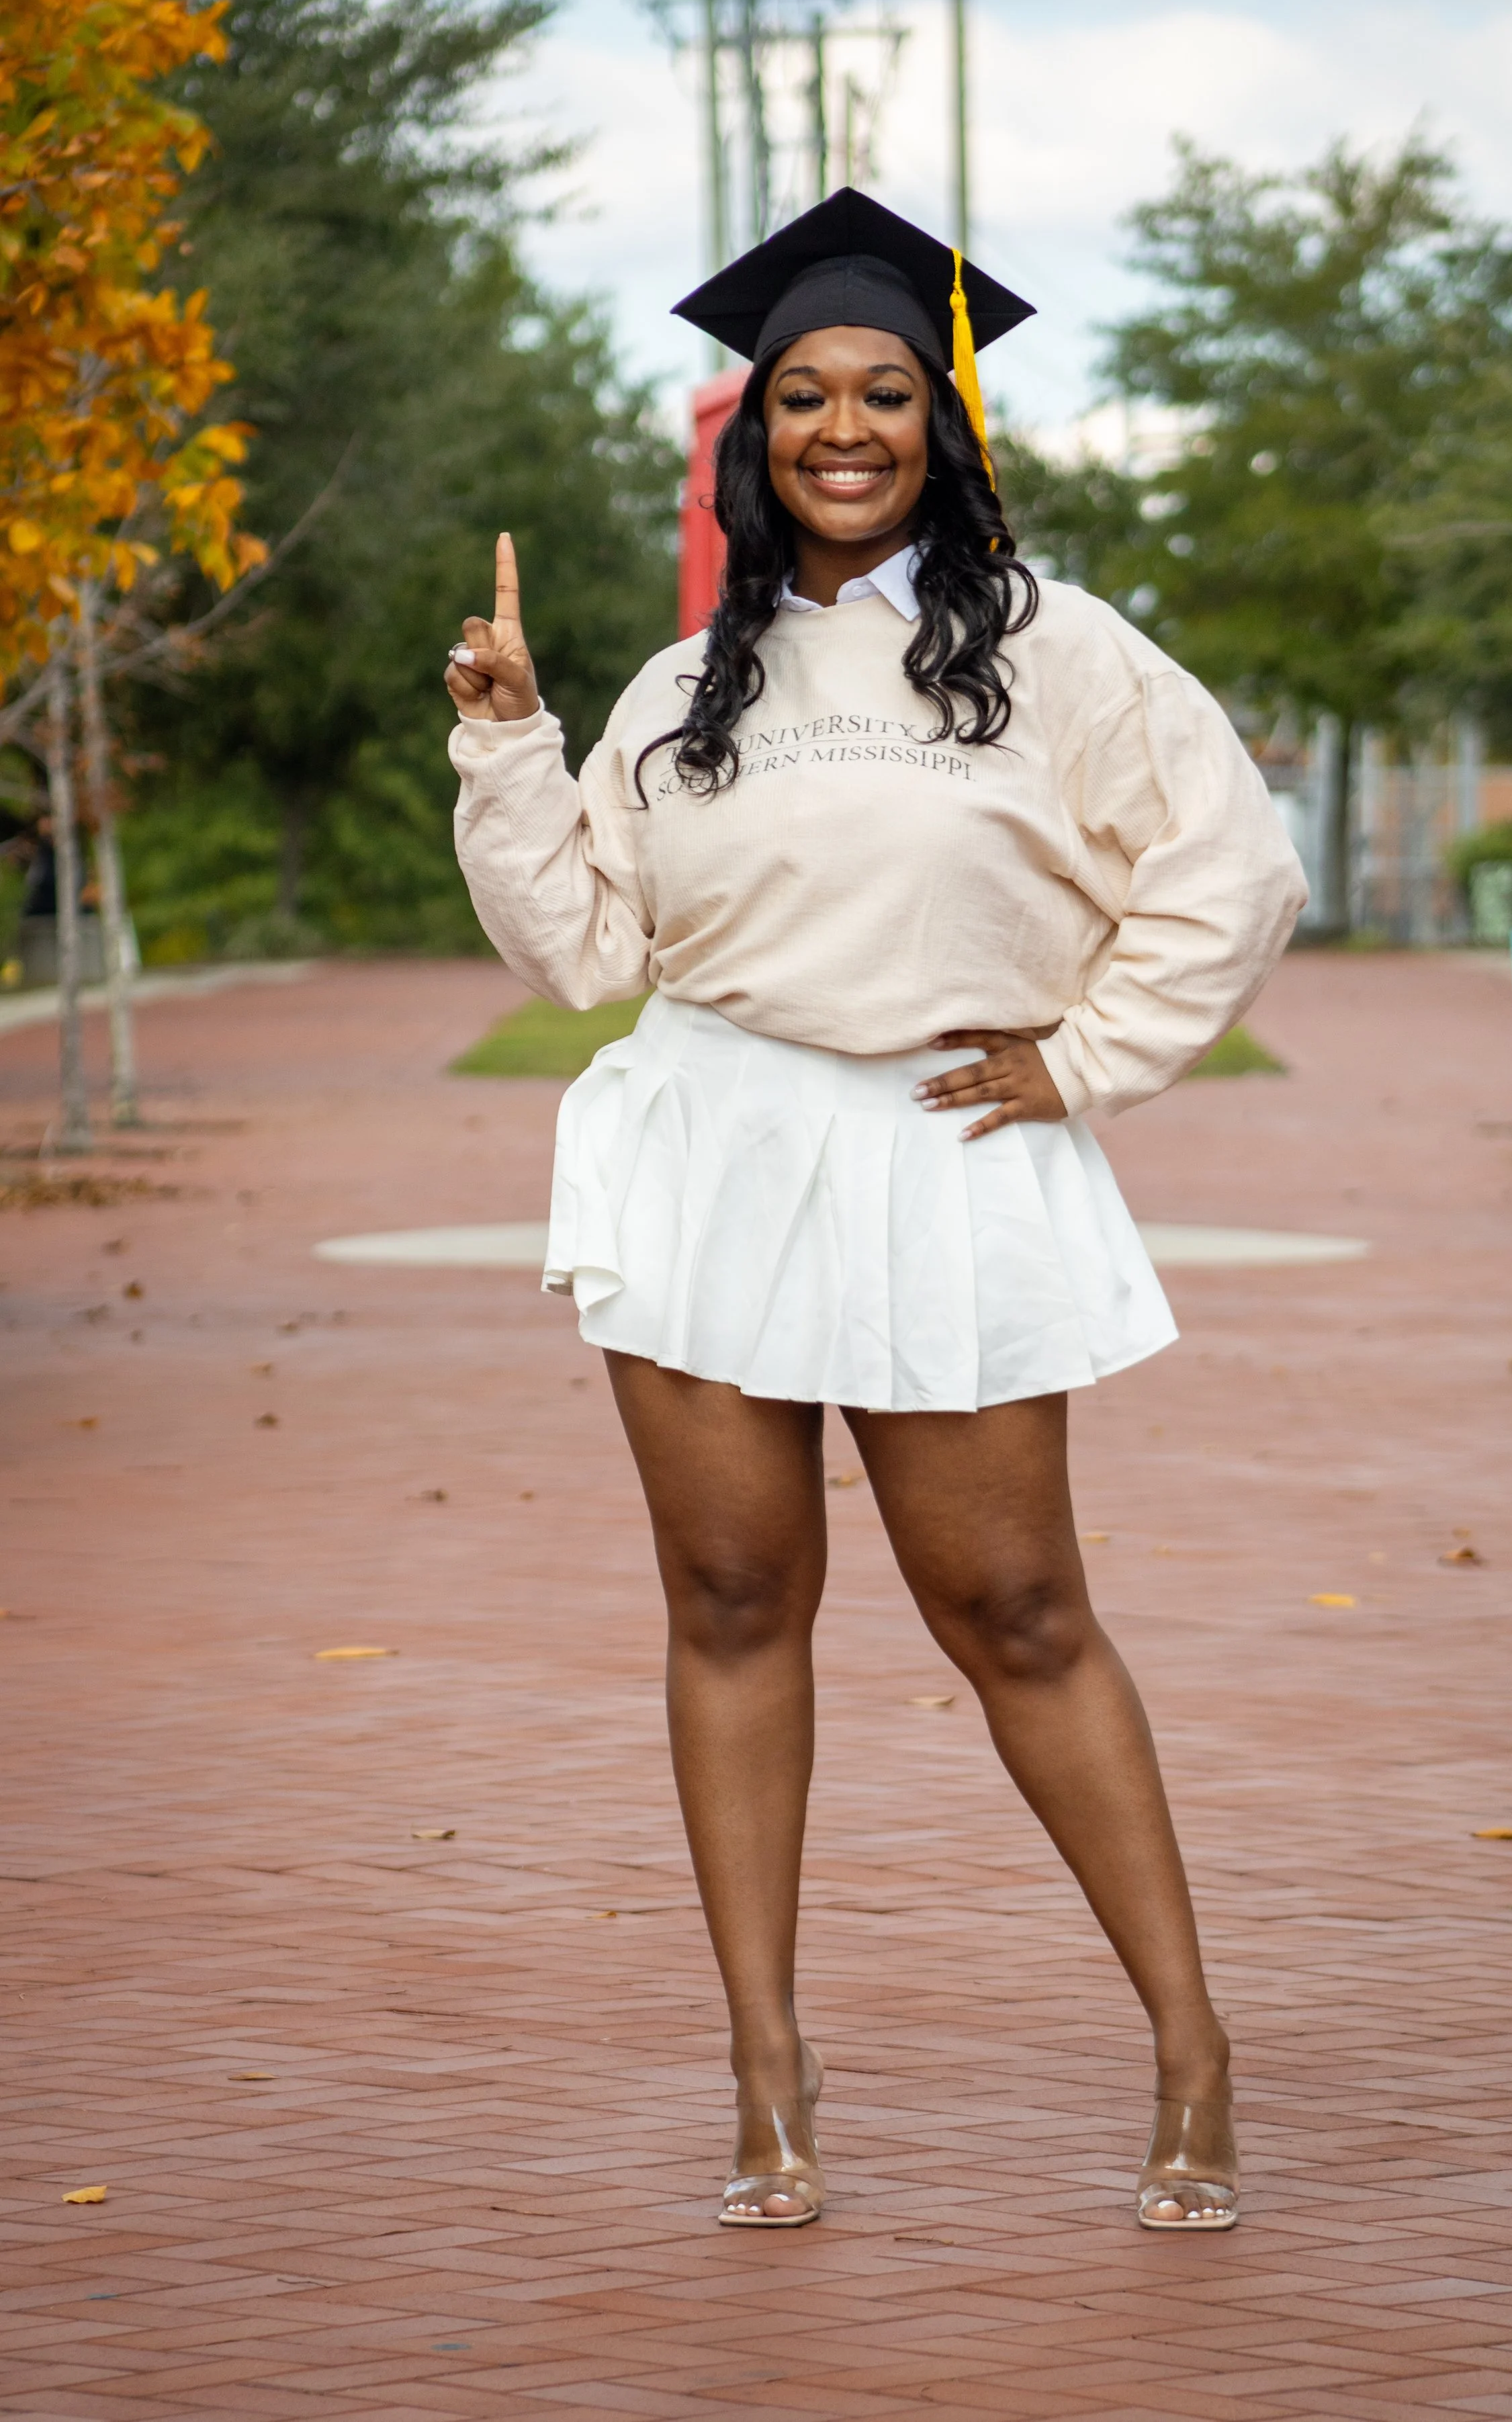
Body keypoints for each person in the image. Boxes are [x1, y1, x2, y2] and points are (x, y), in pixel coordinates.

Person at [445, 189, 1307, 2233]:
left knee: (1017, 1614)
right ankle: (766, 2062)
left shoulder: (1056, 650)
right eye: (805, 395)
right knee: (734, 1607)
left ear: (944, 421)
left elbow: (1233, 870)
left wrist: (1082, 1059)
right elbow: (575, 956)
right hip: (712, 1156)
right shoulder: (688, 687)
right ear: (761, 435)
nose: (845, 426)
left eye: (885, 391)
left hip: (946, 1150)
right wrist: (508, 745)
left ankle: (1188, 2042)